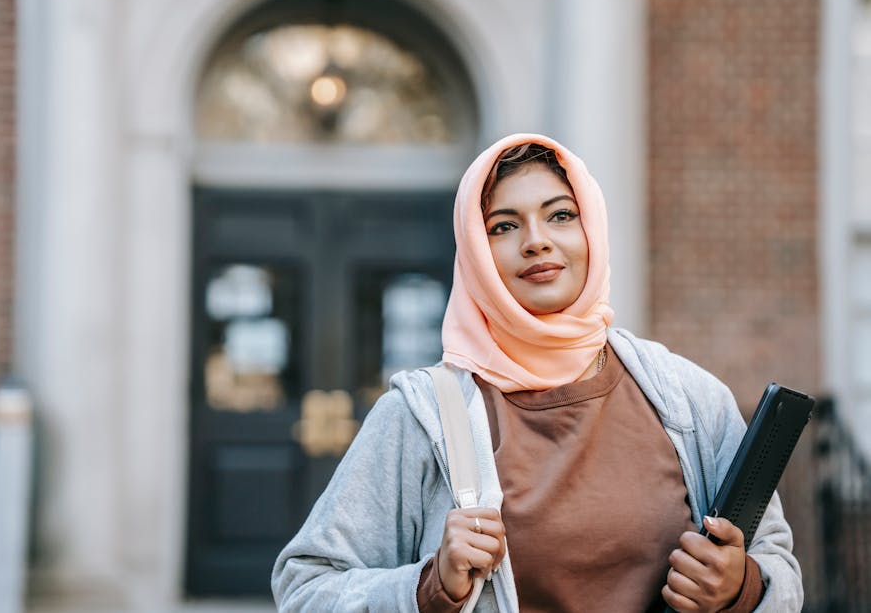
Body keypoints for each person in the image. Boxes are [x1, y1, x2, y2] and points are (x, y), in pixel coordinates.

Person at [271, 133, 803, 612]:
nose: (536, 240)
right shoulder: (420, 416)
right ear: (477, 253)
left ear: (591, 228)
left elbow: (778, 568)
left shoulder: (689, 399)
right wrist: (426, 589)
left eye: (560, 215)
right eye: (504, 226)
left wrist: (742, 588)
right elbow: (306, 588)